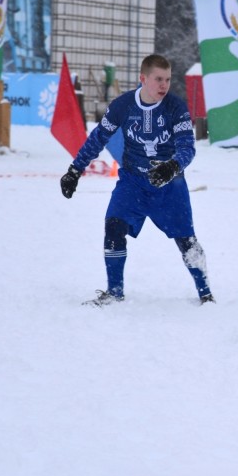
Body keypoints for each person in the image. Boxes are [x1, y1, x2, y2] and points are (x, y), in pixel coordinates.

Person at [59, 54, 214, 306]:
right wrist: (74, 170)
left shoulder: (176, 108)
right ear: (142, 79)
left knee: (186, 240)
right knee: (113, 226)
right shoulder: (122, 106)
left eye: (167, 79)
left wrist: (172, 166)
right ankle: (114, 292)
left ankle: (206, 293)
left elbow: (188, 148)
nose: (164, 85)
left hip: (169, 186)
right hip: (133, 182)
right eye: (158, 79)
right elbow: (98, 137)